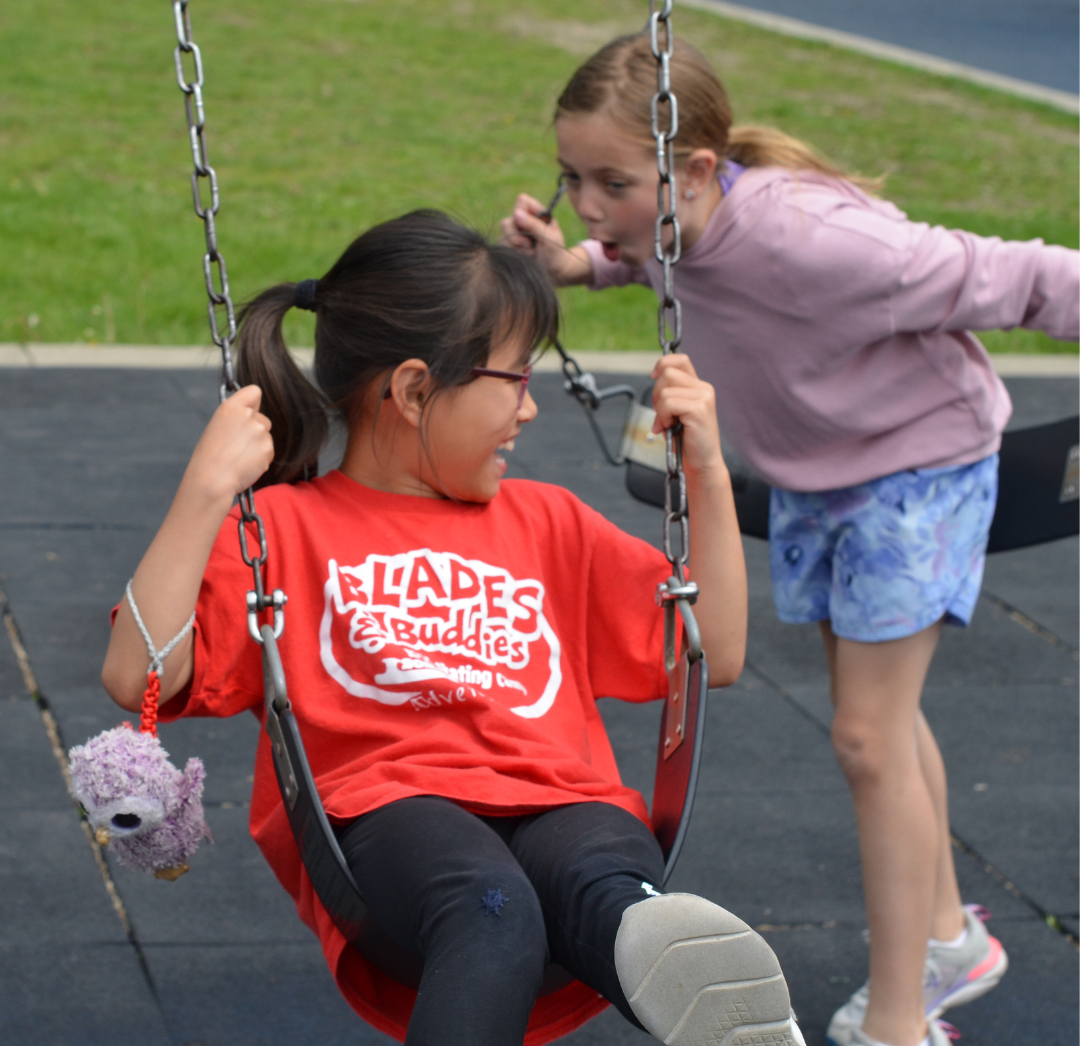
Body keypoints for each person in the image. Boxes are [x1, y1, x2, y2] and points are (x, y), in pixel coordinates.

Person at [100, 210, 807, 1046]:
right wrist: (206, 490)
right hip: (391, 808)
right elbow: (135, 672)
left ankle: (692, 976)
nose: (531, 408)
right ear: (410, 390)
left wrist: (707, 473)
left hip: (564, 799)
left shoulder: (549, 521)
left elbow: (712, 653)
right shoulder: (284, 530)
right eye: (514, 379)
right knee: (491, 910)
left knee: (606, 884)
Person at [502, 33, 1079, 1046]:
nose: (588, 203)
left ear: (690, 170)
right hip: (821, 473)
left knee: (866, 734)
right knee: (883, 722)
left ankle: (900, 1018)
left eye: (611, 183)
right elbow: (653, 262)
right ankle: (949, 938)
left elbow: (1025, 276)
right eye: (573, 178)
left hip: (919, 469)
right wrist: (575, 264)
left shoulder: (821, 241)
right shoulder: (679, 223)